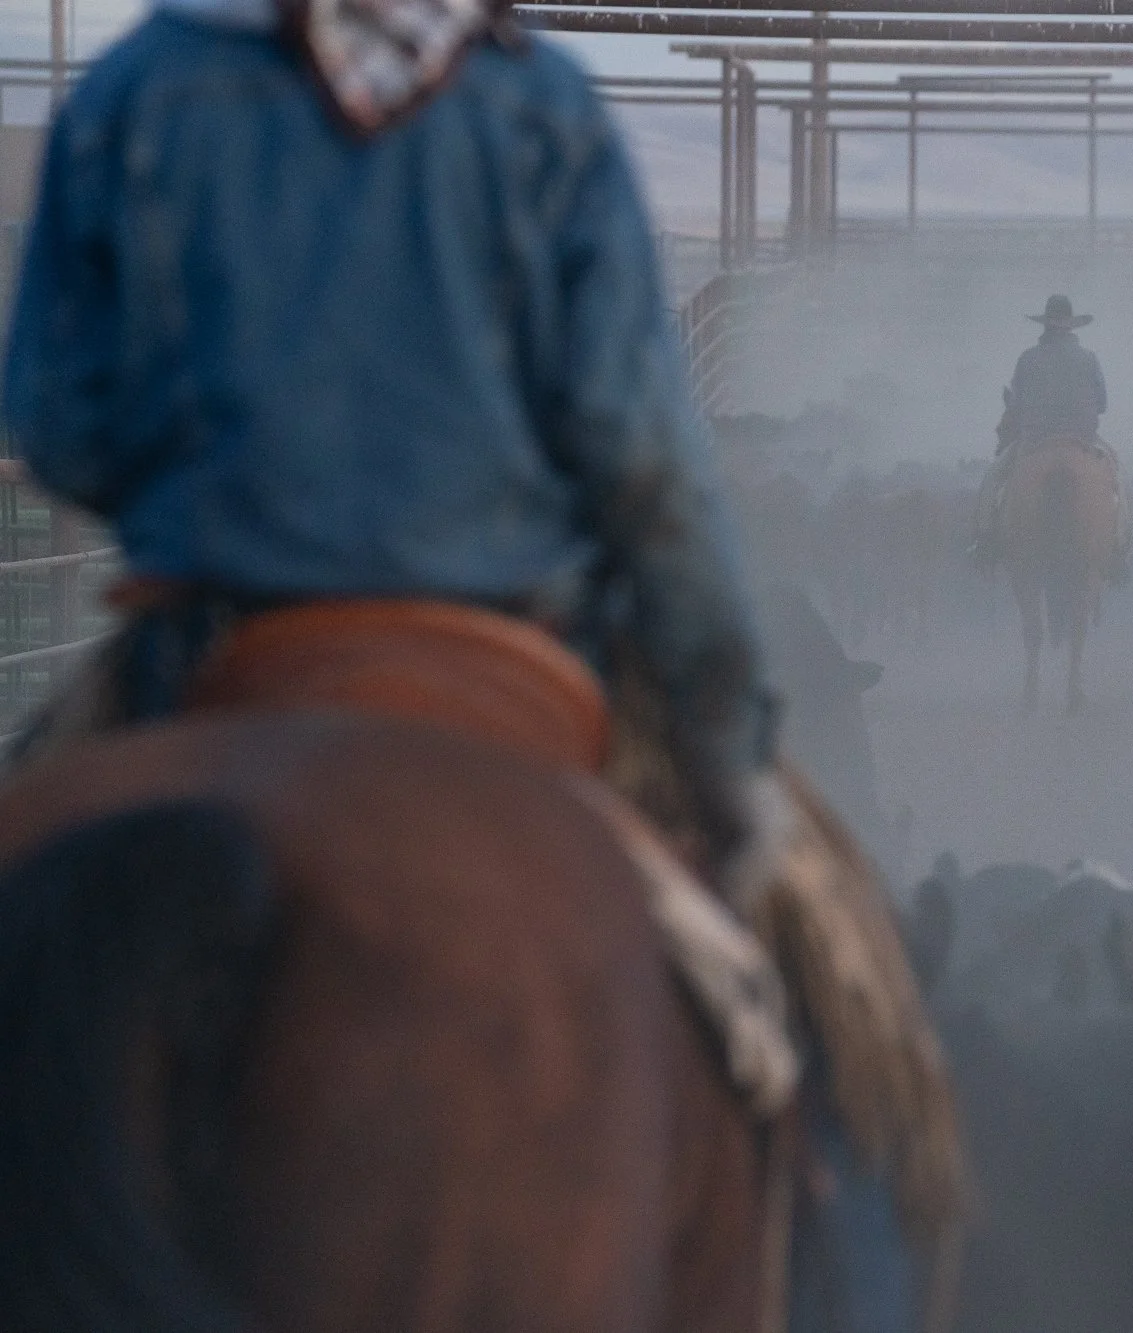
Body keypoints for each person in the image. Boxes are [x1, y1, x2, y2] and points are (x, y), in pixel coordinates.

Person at [1, 2, 950, 1329]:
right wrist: (728, 751)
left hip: (207, 647)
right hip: (509, 650)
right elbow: (644, 465)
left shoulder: (141, 88)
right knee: (825, 1043)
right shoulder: (540, 110)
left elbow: (53, 421)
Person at [970, 294, 1122, 569]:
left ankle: (985, 542)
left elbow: (1015, 404)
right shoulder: (1088, 359)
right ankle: (1122, 547)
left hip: (1035, 439)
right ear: (1071, 326)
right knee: (1117, 480)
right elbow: (1102, 404)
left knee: (993, 480)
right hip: (1083, 439)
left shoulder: (1028, 359)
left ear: (1045, 325)